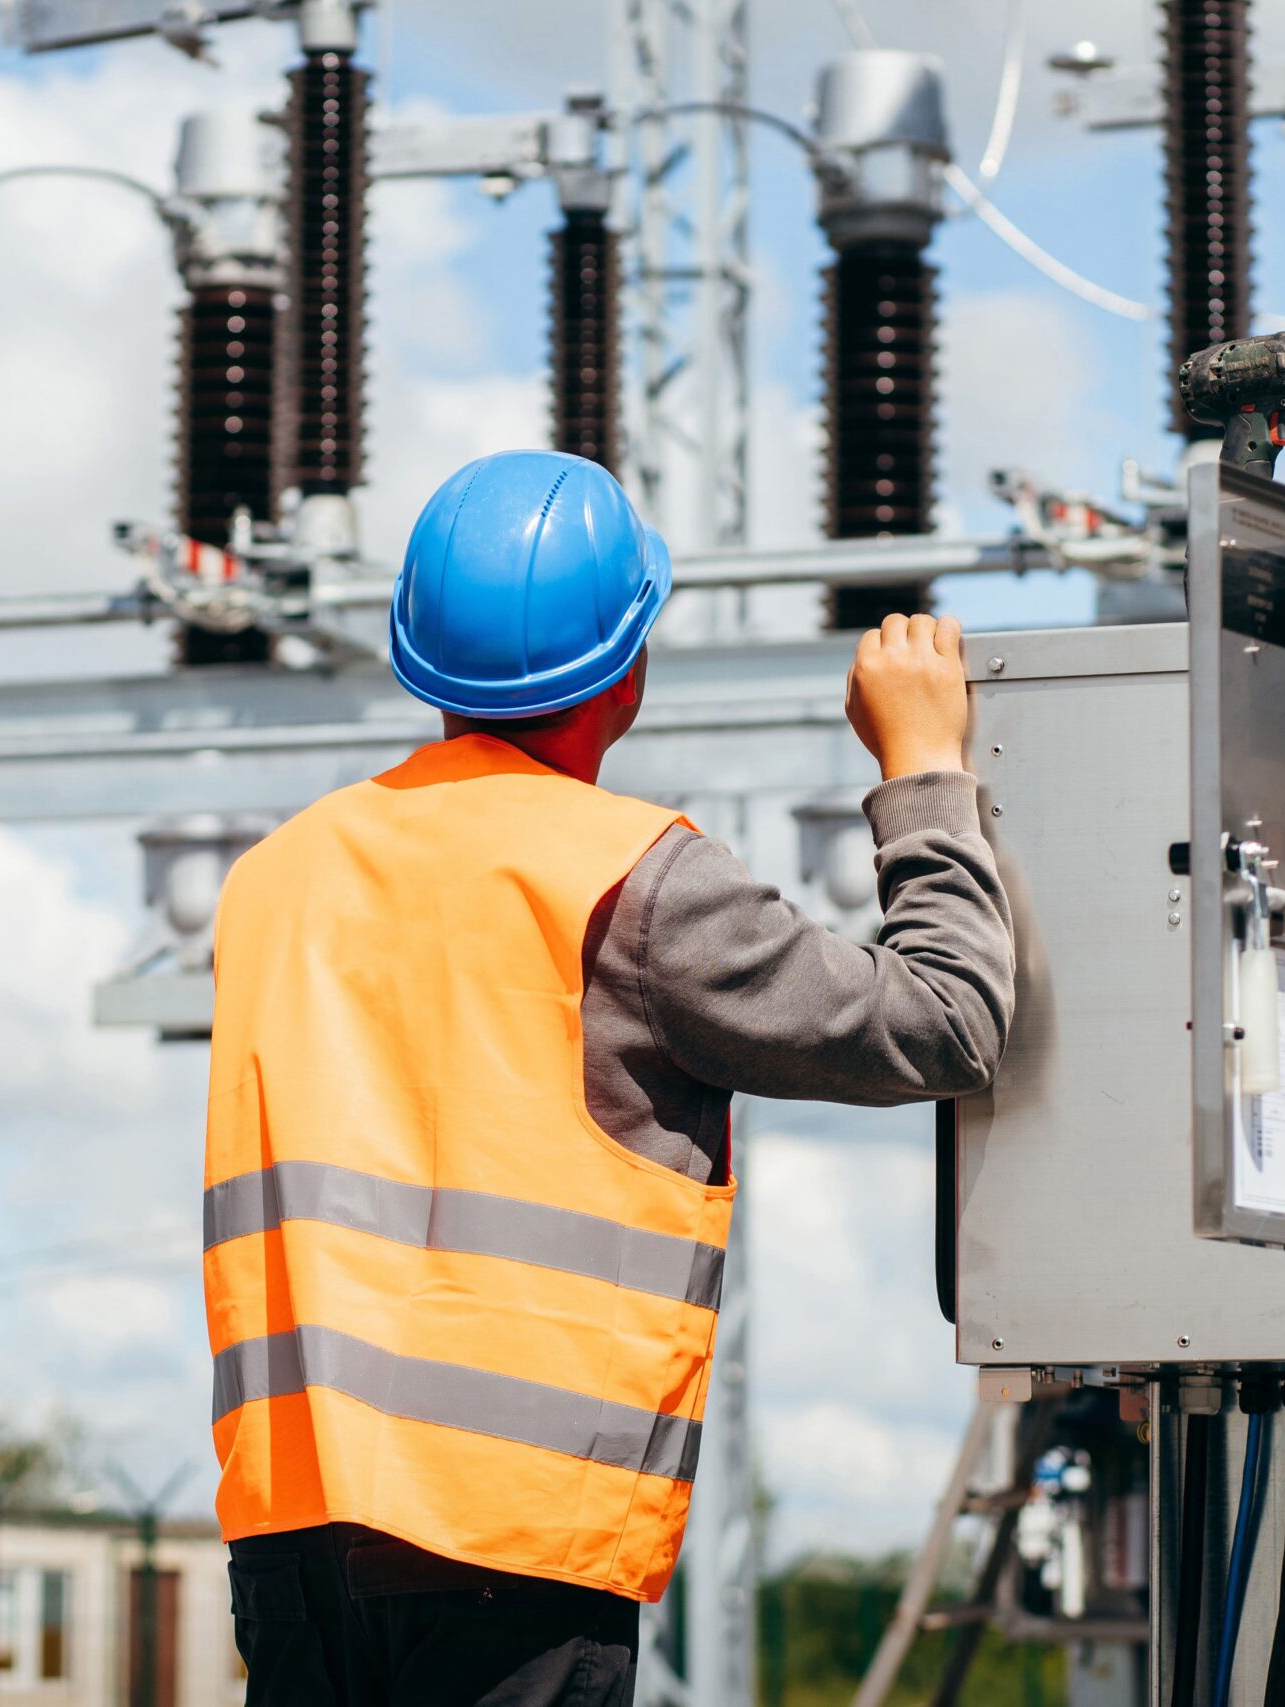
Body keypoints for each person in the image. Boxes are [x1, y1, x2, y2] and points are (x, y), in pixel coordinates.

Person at [204, 450, 1015, 1706]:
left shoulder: (278, 878)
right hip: (508, 1554)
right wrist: (923, 770)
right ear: (627, 672)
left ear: (417, 656)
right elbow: (947, 1022)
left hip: (292, 1537)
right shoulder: (638, 882)